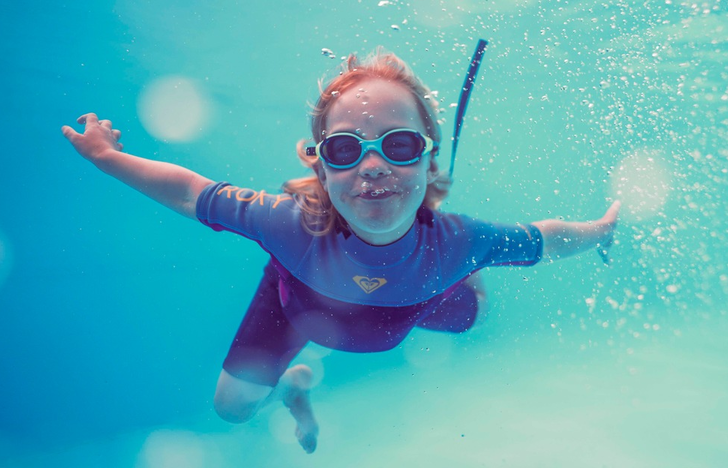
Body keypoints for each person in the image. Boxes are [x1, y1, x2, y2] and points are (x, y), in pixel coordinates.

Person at [62, 50, 620, 454]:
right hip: (295, 301)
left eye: (398, 146)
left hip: (411, 304)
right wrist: (107, 159)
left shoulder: (457, 241)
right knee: (230, 409)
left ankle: (452, 289)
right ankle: (294, 386)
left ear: (429, 164)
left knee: (474, 313)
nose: (373, 165)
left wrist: (599, 230)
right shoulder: (285, 222)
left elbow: (546, 238)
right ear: (322, 170)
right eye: (346, 149)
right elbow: (191, 191)